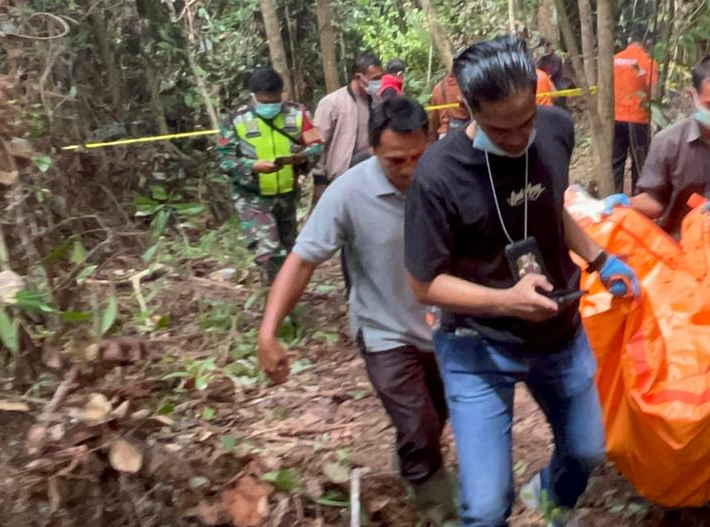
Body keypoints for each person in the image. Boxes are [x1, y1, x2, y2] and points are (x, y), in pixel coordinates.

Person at [404, 35, 639, 527]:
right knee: (487, 508)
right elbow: (425, 285)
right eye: (501, 128)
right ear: (468, 109)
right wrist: (504, 300)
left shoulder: (554, 130)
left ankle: (545, 504)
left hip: (558, 333)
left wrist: (600, 259)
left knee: (586, 451)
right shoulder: (437, 174)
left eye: (526, 120)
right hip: (477, 346)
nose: (518, 138)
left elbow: (551, 206)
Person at [256, 97, 457, 525]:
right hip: (383, 329)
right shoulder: (347, 192)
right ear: (371, 150)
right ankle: (439, 510)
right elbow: (303, 259)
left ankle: (412, 465)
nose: (409, 170)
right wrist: (268, 332)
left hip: (446, 327)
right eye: (395, 161)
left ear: (432, 140)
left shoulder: (450, 177)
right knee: (419, 425)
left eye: (418, 156)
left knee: (437, 414)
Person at [603, 55, 710, 288]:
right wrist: (626, 204)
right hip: (676, 252)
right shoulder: (668, 142)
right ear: (692, 95)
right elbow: (656, 201)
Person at [217, 67, 324, 289]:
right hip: (253, 198)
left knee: (289, 252)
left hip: (286, 195)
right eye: (264, 101)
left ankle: (286, 300)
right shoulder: (235, 120)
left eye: (274, 99)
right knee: (270, 254)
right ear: (252, 96)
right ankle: (276, 305)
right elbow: (225, 161)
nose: (270, 105)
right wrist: (252, 166)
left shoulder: (298, 114)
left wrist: (301, 157)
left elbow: (316, 144)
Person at [312, 53, 383, 203]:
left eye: (380, 77)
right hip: (337, 177)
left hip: (368, 176)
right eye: (375, 79)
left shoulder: (377, 102)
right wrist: (319, 179)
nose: (379, 82)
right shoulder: (332, 103)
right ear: (358, 77)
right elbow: (317, 143)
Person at [611, 39, 657, 193]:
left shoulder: (614, 59)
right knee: (639, 162)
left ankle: (614, 197)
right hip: (638, 118)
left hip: (615, 117)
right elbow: (654, 92)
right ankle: (638, 199)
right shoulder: (648, 62)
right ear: (647, 42)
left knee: (616, 161)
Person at [428, 70, 470, 140]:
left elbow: (434, 118)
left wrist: (435, 137)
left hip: (443, 135)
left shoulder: (438, 87)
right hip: (464, 134)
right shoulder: (466, 86)